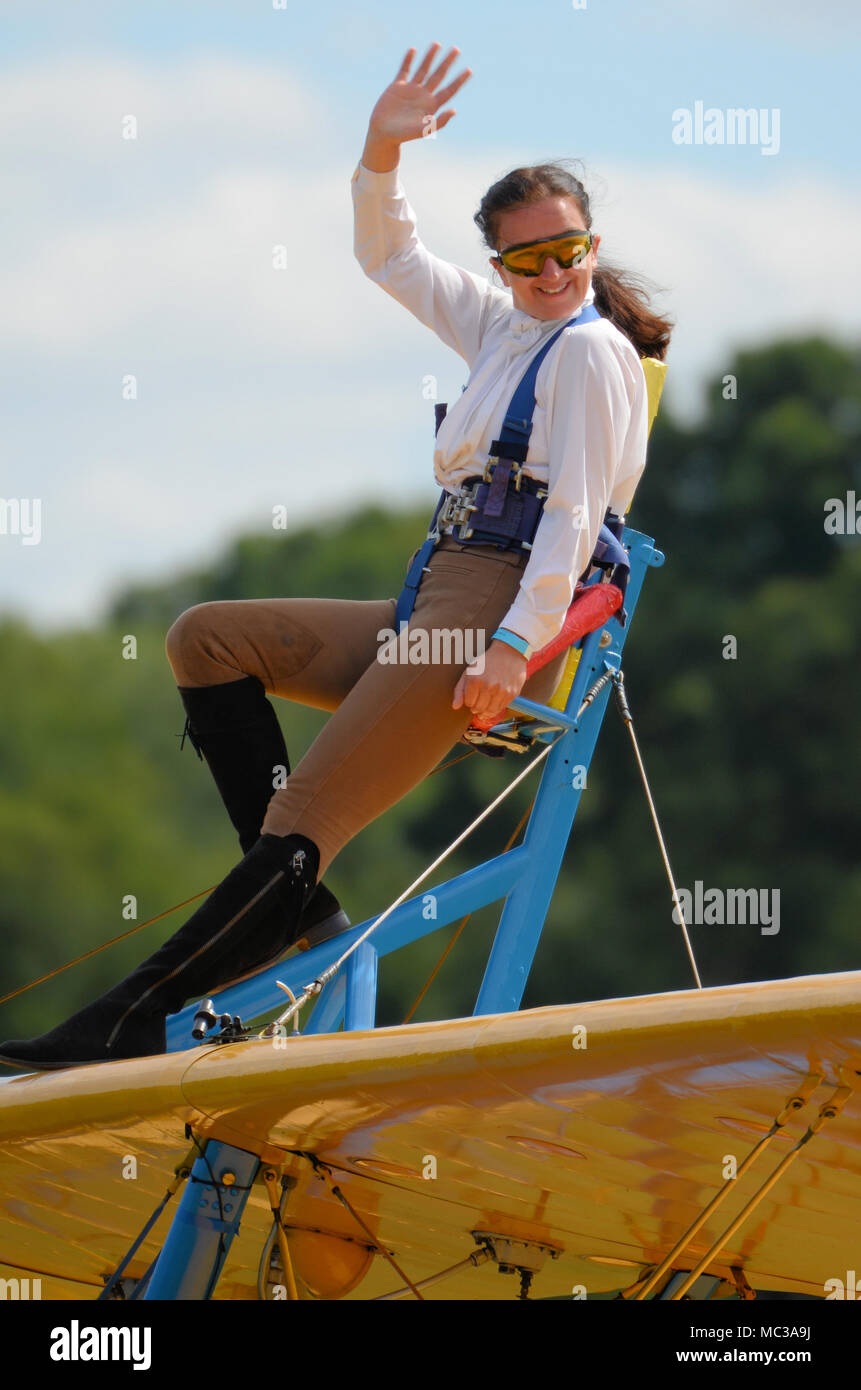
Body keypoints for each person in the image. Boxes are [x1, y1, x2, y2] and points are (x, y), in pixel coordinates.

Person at [0, 42, 671, 1072]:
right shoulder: (501, 328)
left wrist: (510, 646)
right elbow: (389, 258)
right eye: (528, 258)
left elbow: (576, 519)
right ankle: (300, 907)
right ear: (498, 264)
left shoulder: (589, 351)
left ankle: (131, 1022)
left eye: (569, 249)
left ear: (592, 241)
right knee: (208, 641)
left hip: (489, 612)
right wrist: (379, 153)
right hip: (432, 592)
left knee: (305, 810)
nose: (554, 273)